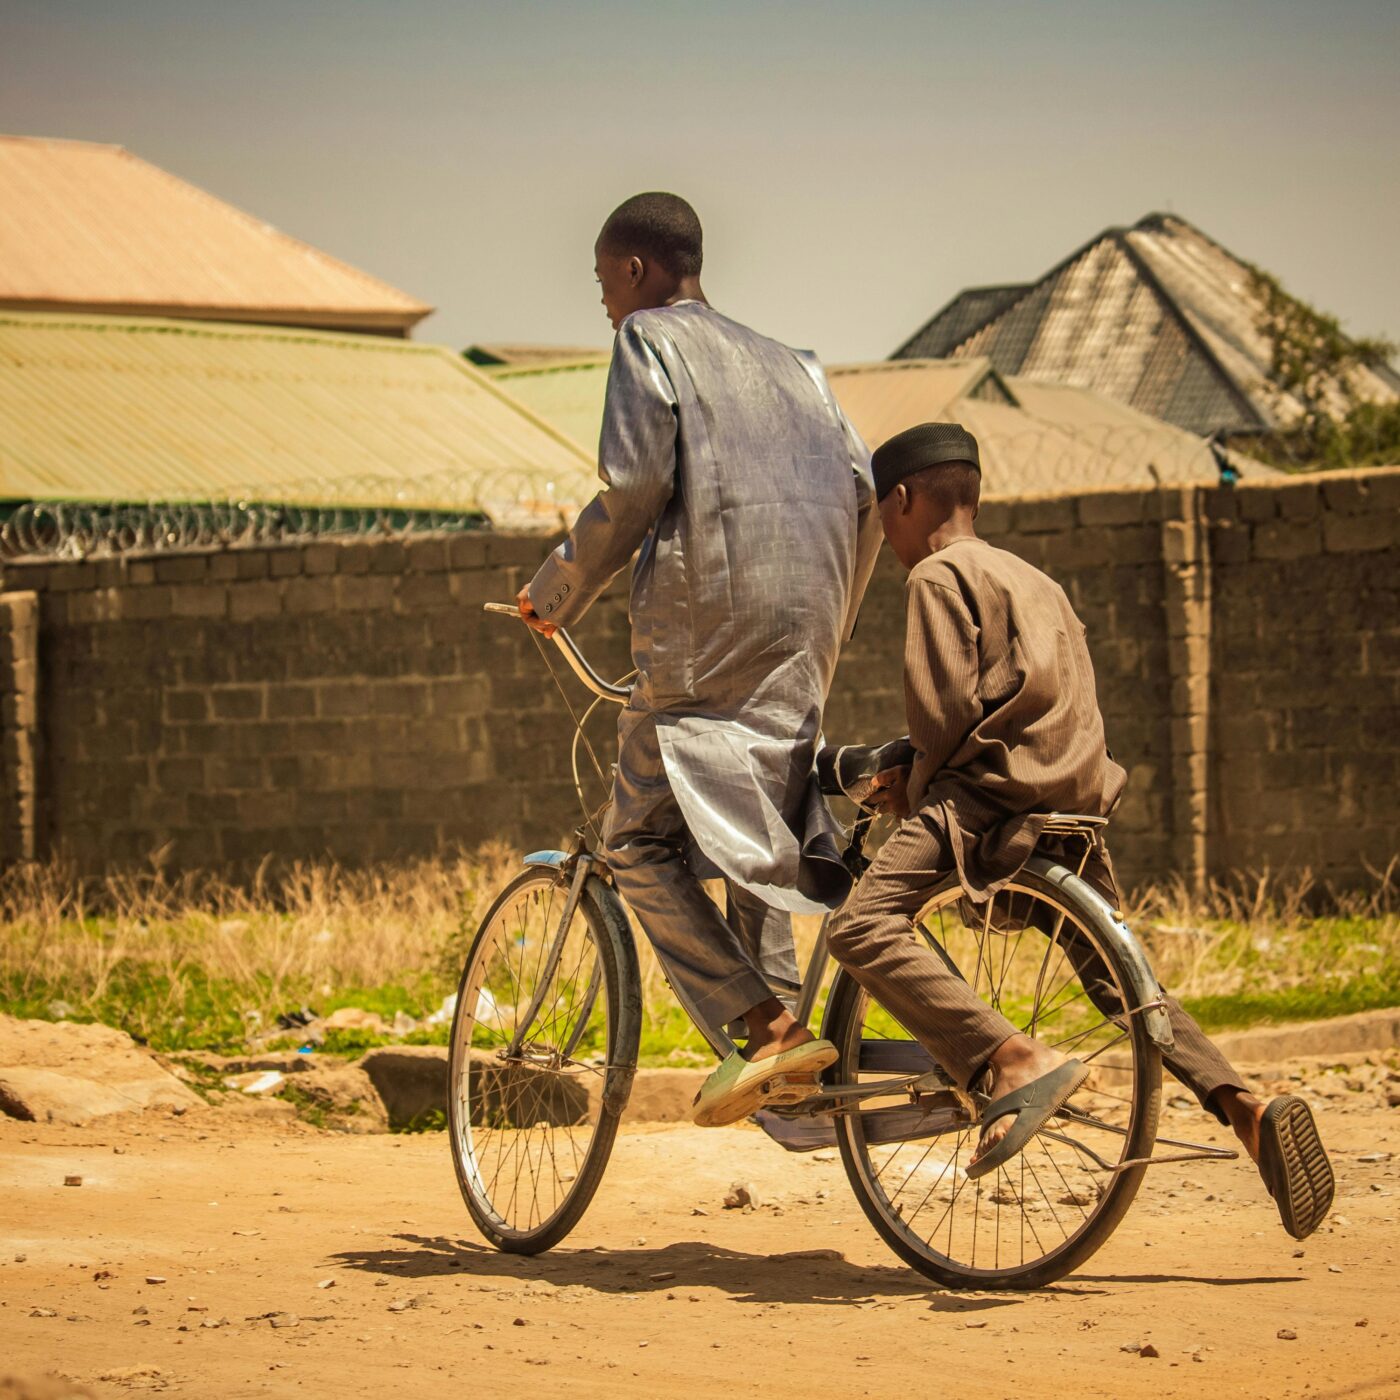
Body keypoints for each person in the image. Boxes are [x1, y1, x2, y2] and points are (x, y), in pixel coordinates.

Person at [824, 421, 1335, 1240]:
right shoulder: (1036, 578)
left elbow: (947, 716)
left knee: (862, 924)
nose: (885, 537)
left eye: (883, 518)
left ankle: (1009, 1056)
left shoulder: (935, 578)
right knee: (1117, 982)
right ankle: (1247, 1108)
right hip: (1076, 804)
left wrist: (909, 789)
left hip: (989, 794)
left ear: (904, 500)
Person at [517, 192, 880, 1127]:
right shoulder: (798, 367)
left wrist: (557, 592)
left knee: (636, 841)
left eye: (604, 281)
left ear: (637, 270)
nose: (604, 302)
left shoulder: (651, 343)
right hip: (803, 638)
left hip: (702, 640)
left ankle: (767, 1033)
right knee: (755, 838)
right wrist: (827, 616)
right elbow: (867, 499)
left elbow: (636, 482)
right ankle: (793, 1073)